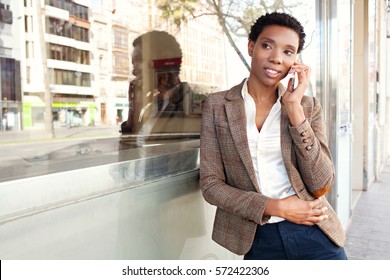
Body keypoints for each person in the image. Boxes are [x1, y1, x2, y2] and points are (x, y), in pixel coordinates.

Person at [199, 12, 347, 260]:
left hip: (314, 234)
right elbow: (211, 186)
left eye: (288, 52)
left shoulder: (307, 107)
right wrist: (275, 207)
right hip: (257, 237)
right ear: (251, 46)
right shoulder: (217, 105)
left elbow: (321, 182)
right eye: (267, 45)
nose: (277, 58)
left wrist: (293, 108)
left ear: (296, 61)